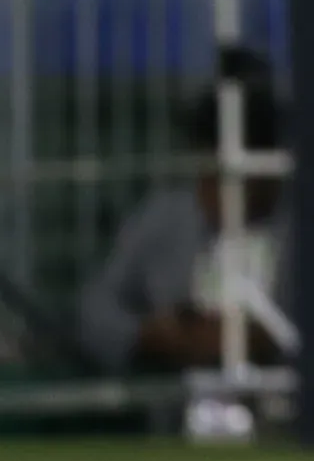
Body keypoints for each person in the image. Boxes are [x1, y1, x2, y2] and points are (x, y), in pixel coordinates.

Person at [78, 63, 290, 375]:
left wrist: (266, 338)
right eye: (209, 174)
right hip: (176, 404)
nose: (218, 191)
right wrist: (147, 335)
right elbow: (95, 310)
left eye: (238, 177)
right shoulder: (165, 218)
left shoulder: (309, 228)